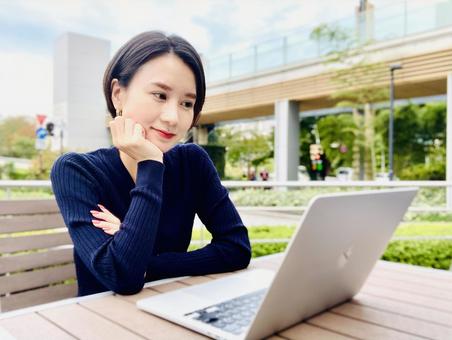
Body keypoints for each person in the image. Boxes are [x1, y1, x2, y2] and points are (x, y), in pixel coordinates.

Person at [50, 31, 251, 297]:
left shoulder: (192, 163)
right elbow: (121, 276)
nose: (172, 117)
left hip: (171, 305)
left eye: (187, 103)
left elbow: (237, 248)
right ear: (118, 94)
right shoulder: (77, 171)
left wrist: (148, 263)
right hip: (100, 319)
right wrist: (151, 162)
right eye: (159, 95)